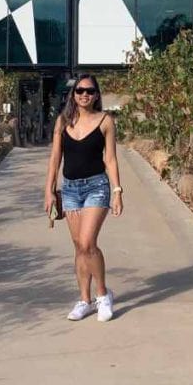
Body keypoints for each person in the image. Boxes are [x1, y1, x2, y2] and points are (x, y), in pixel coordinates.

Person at [44, 74, 123, 322]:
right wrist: (49, 190)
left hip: (96, 187)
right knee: (79, 246)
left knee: (88, 242)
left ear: (96, 95)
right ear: (74, 94)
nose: (84, 95)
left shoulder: (105, 121)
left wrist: (117, 191)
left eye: (89, 91)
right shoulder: (63, 121)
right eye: (80, 91)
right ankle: (85, 300)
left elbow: (110, 159)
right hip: (70, 190)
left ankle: (103, 295)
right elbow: (55, 159)